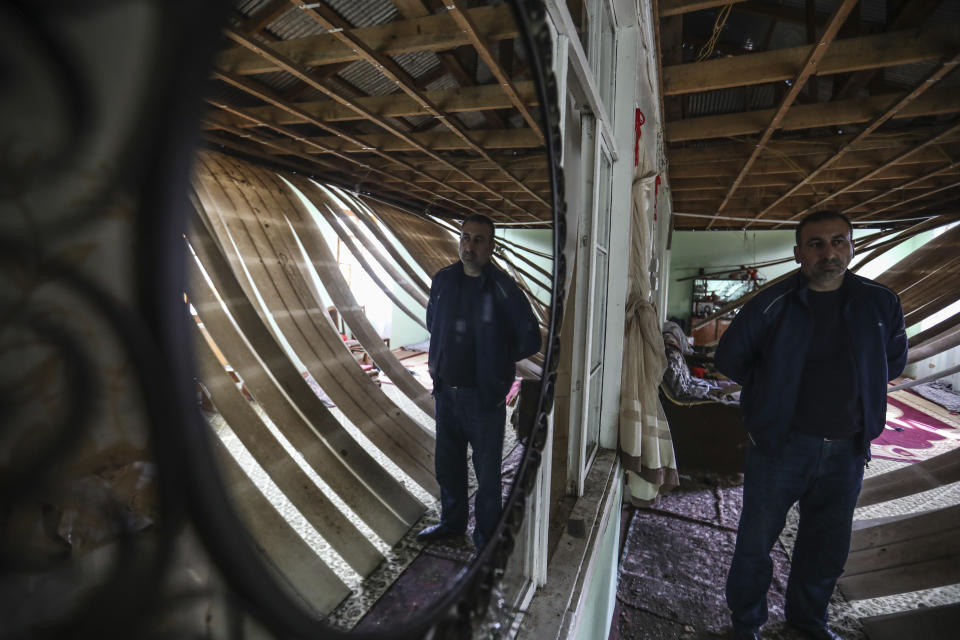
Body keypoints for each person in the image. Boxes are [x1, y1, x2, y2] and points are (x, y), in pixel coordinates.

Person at [715, 210, 907, 640]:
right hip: (781, 445)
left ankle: (808, 622)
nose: (830, 253)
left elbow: (892, 359)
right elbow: (730, 358)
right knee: (755, 543)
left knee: (825, 544)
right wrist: (772, 394)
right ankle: (745, 626)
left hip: (848, 448)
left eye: (839, 242)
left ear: (852, 247)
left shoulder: (880, 303)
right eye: (817, 244)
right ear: (798, 252)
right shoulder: (771, 304)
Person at [416, 214, 541, 550]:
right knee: (448, 465)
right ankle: (452, 524)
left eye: (478, 240)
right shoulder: (443, 280)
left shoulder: (503, 289)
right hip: (447, 393)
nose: (468, 246)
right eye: (465, 237)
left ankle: (486, 539)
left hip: (484, 398)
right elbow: (433, 323)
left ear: (491, 247)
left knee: (486, 474)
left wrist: (496, 358)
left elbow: (530, 339)